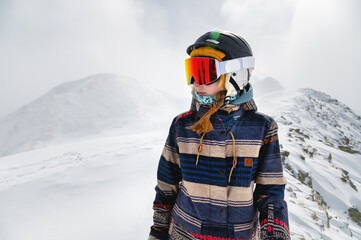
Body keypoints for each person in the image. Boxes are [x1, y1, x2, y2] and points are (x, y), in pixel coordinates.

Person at [149, 30, 290, 240]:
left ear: (236, 75)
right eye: (192, 71)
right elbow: (166, 188)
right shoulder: (182, 125)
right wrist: (158, 232)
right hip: (183, 234)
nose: (196, 82)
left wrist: (275, 234)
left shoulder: (261, 128)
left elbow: (270, 193)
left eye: (205, 72)